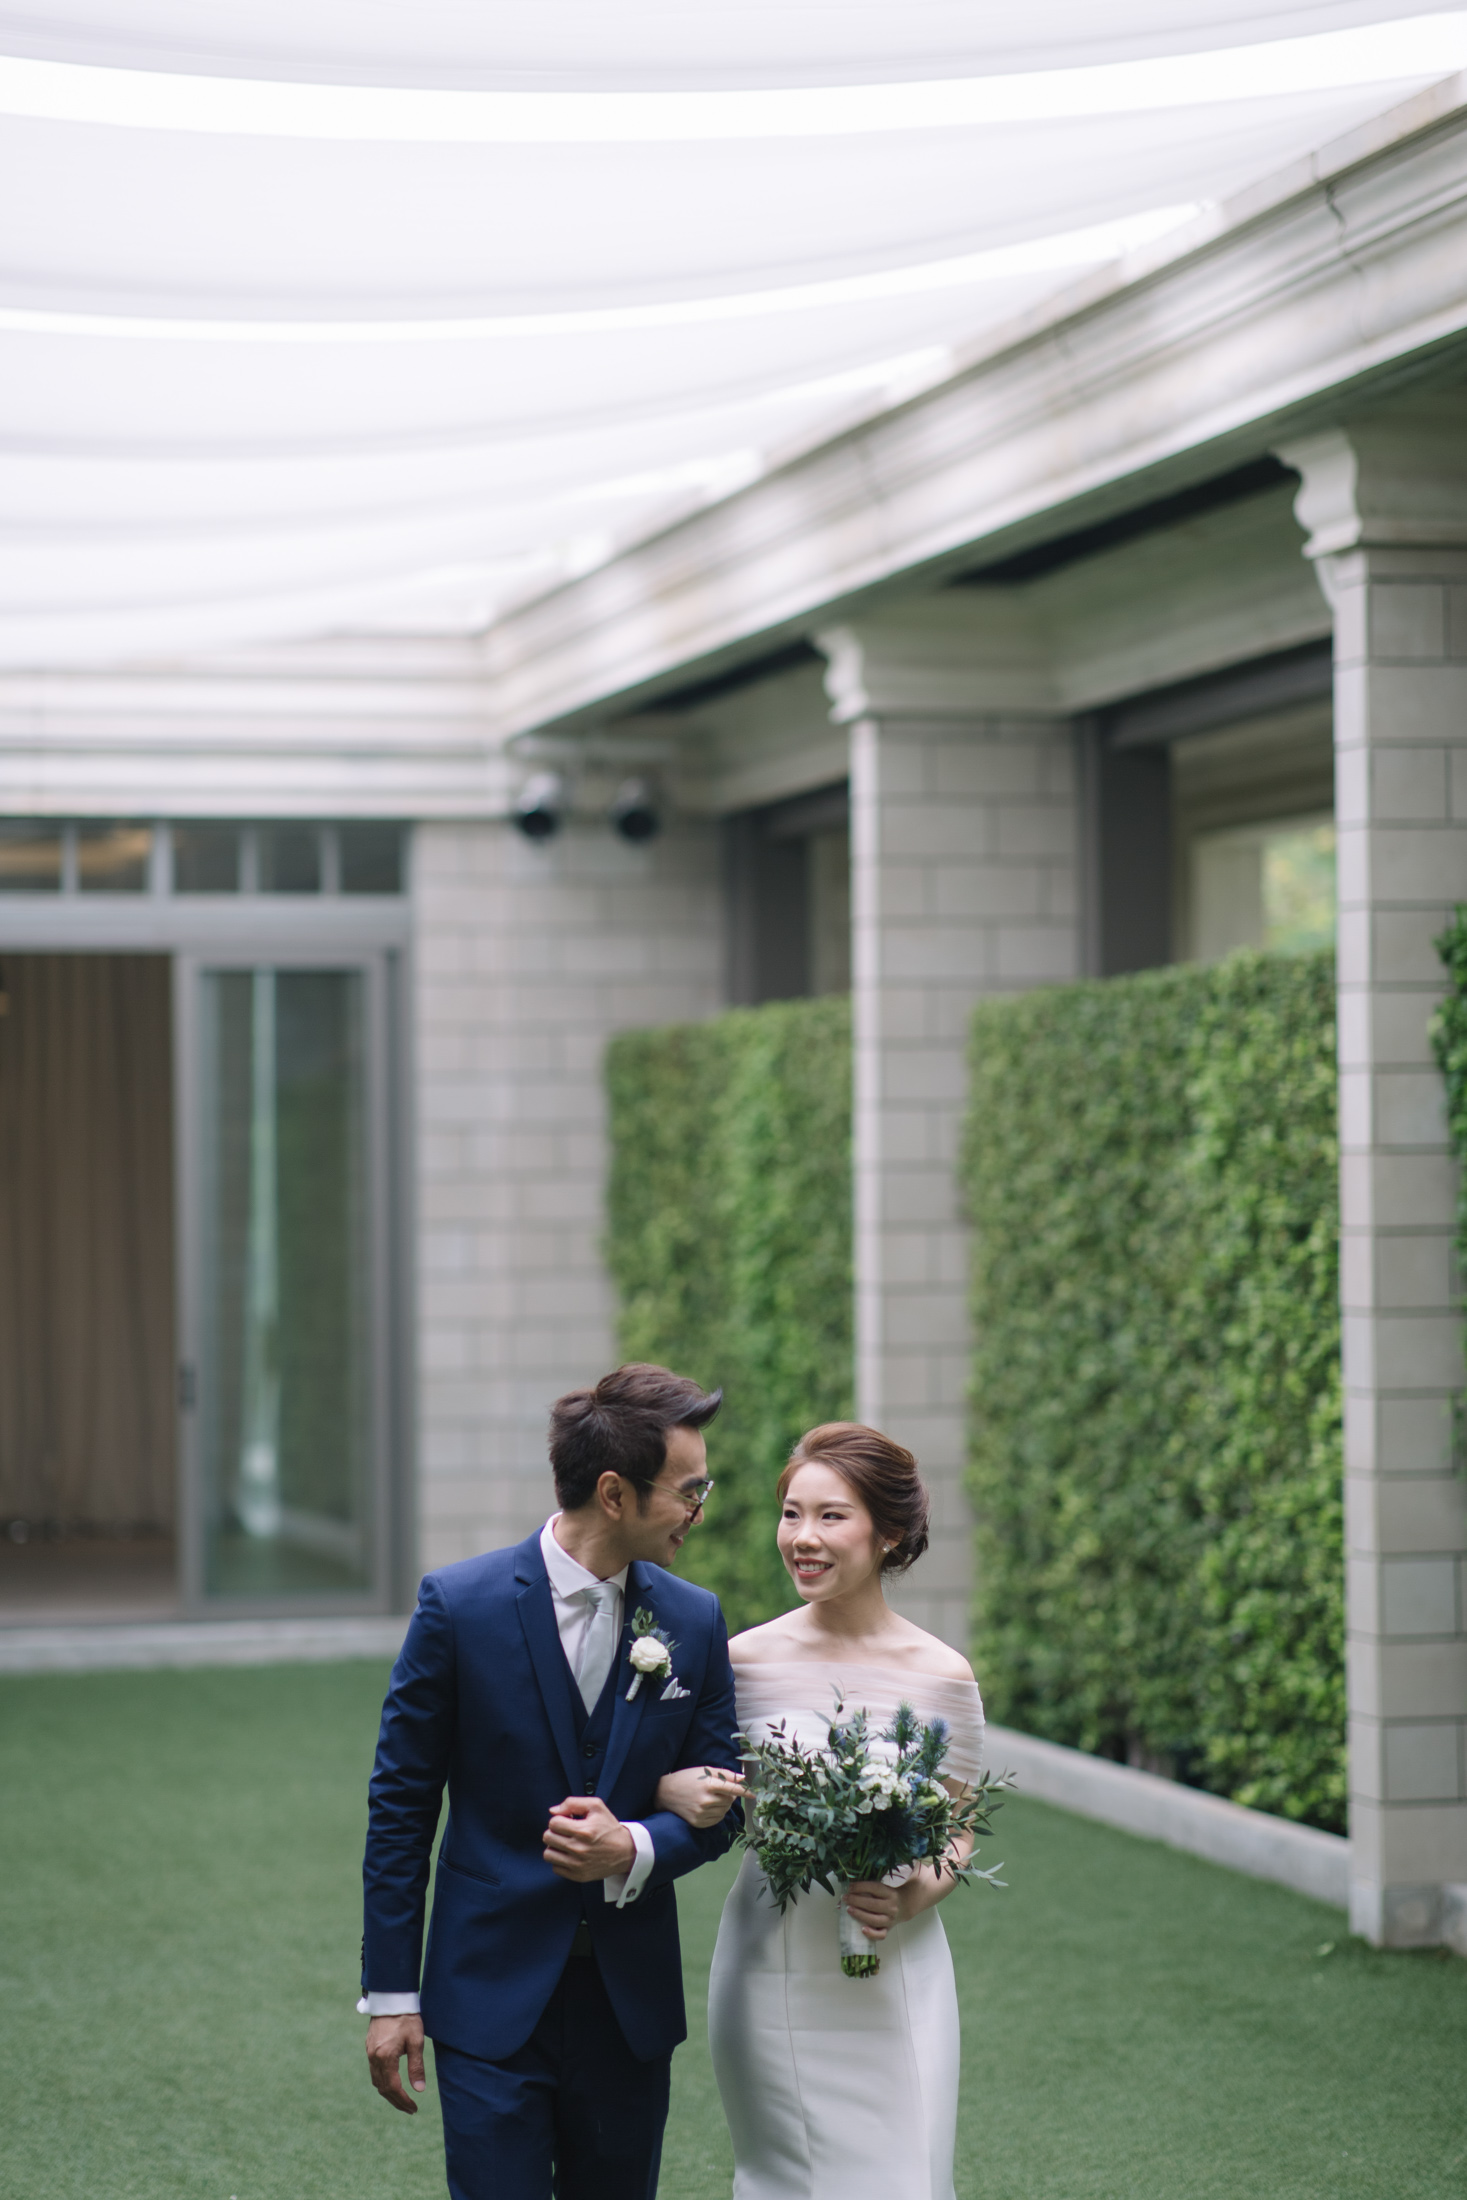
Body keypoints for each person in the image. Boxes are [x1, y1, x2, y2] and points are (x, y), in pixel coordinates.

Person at [359, 1363, 742, 2200]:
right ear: (613, 1493)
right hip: (485, 1990)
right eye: (688, 1491)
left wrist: (633, 1844)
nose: (698, 1511)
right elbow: (400, 1810)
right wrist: (390, 1995)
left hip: (627, 2004)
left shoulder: (694, 1619)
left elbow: (723, 1805)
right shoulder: (457, 1607)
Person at [659, 1421, 985, 2200]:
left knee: (907, 2180)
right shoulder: (739, 1661)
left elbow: (957, 1832)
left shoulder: (942, 1676)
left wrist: (911, 1896)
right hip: (770, 1965)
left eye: (830, 1516)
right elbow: (675, 1779)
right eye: (790, 1514)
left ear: (889, 1532)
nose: (802, 1537)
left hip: (896, 1970)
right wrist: (669, 1790)